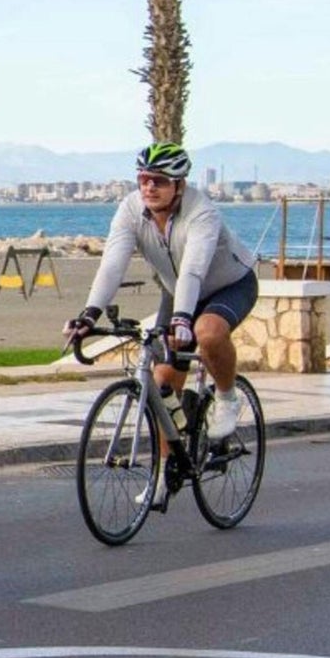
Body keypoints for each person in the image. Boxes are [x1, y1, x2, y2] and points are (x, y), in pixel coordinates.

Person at [63, 142, 258, 442]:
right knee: (162, 384)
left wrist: (182, 319)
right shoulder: (130, 209)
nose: (149, 187)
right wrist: (89, 315)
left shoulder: (202, 212)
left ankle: (227, 398)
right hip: (176, 290)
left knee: (207, 332)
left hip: (229, 284)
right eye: (143, 179)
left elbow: (193, 269)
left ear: (179, 185)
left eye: (160, 181)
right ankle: (167, 473)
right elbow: (112, 266)